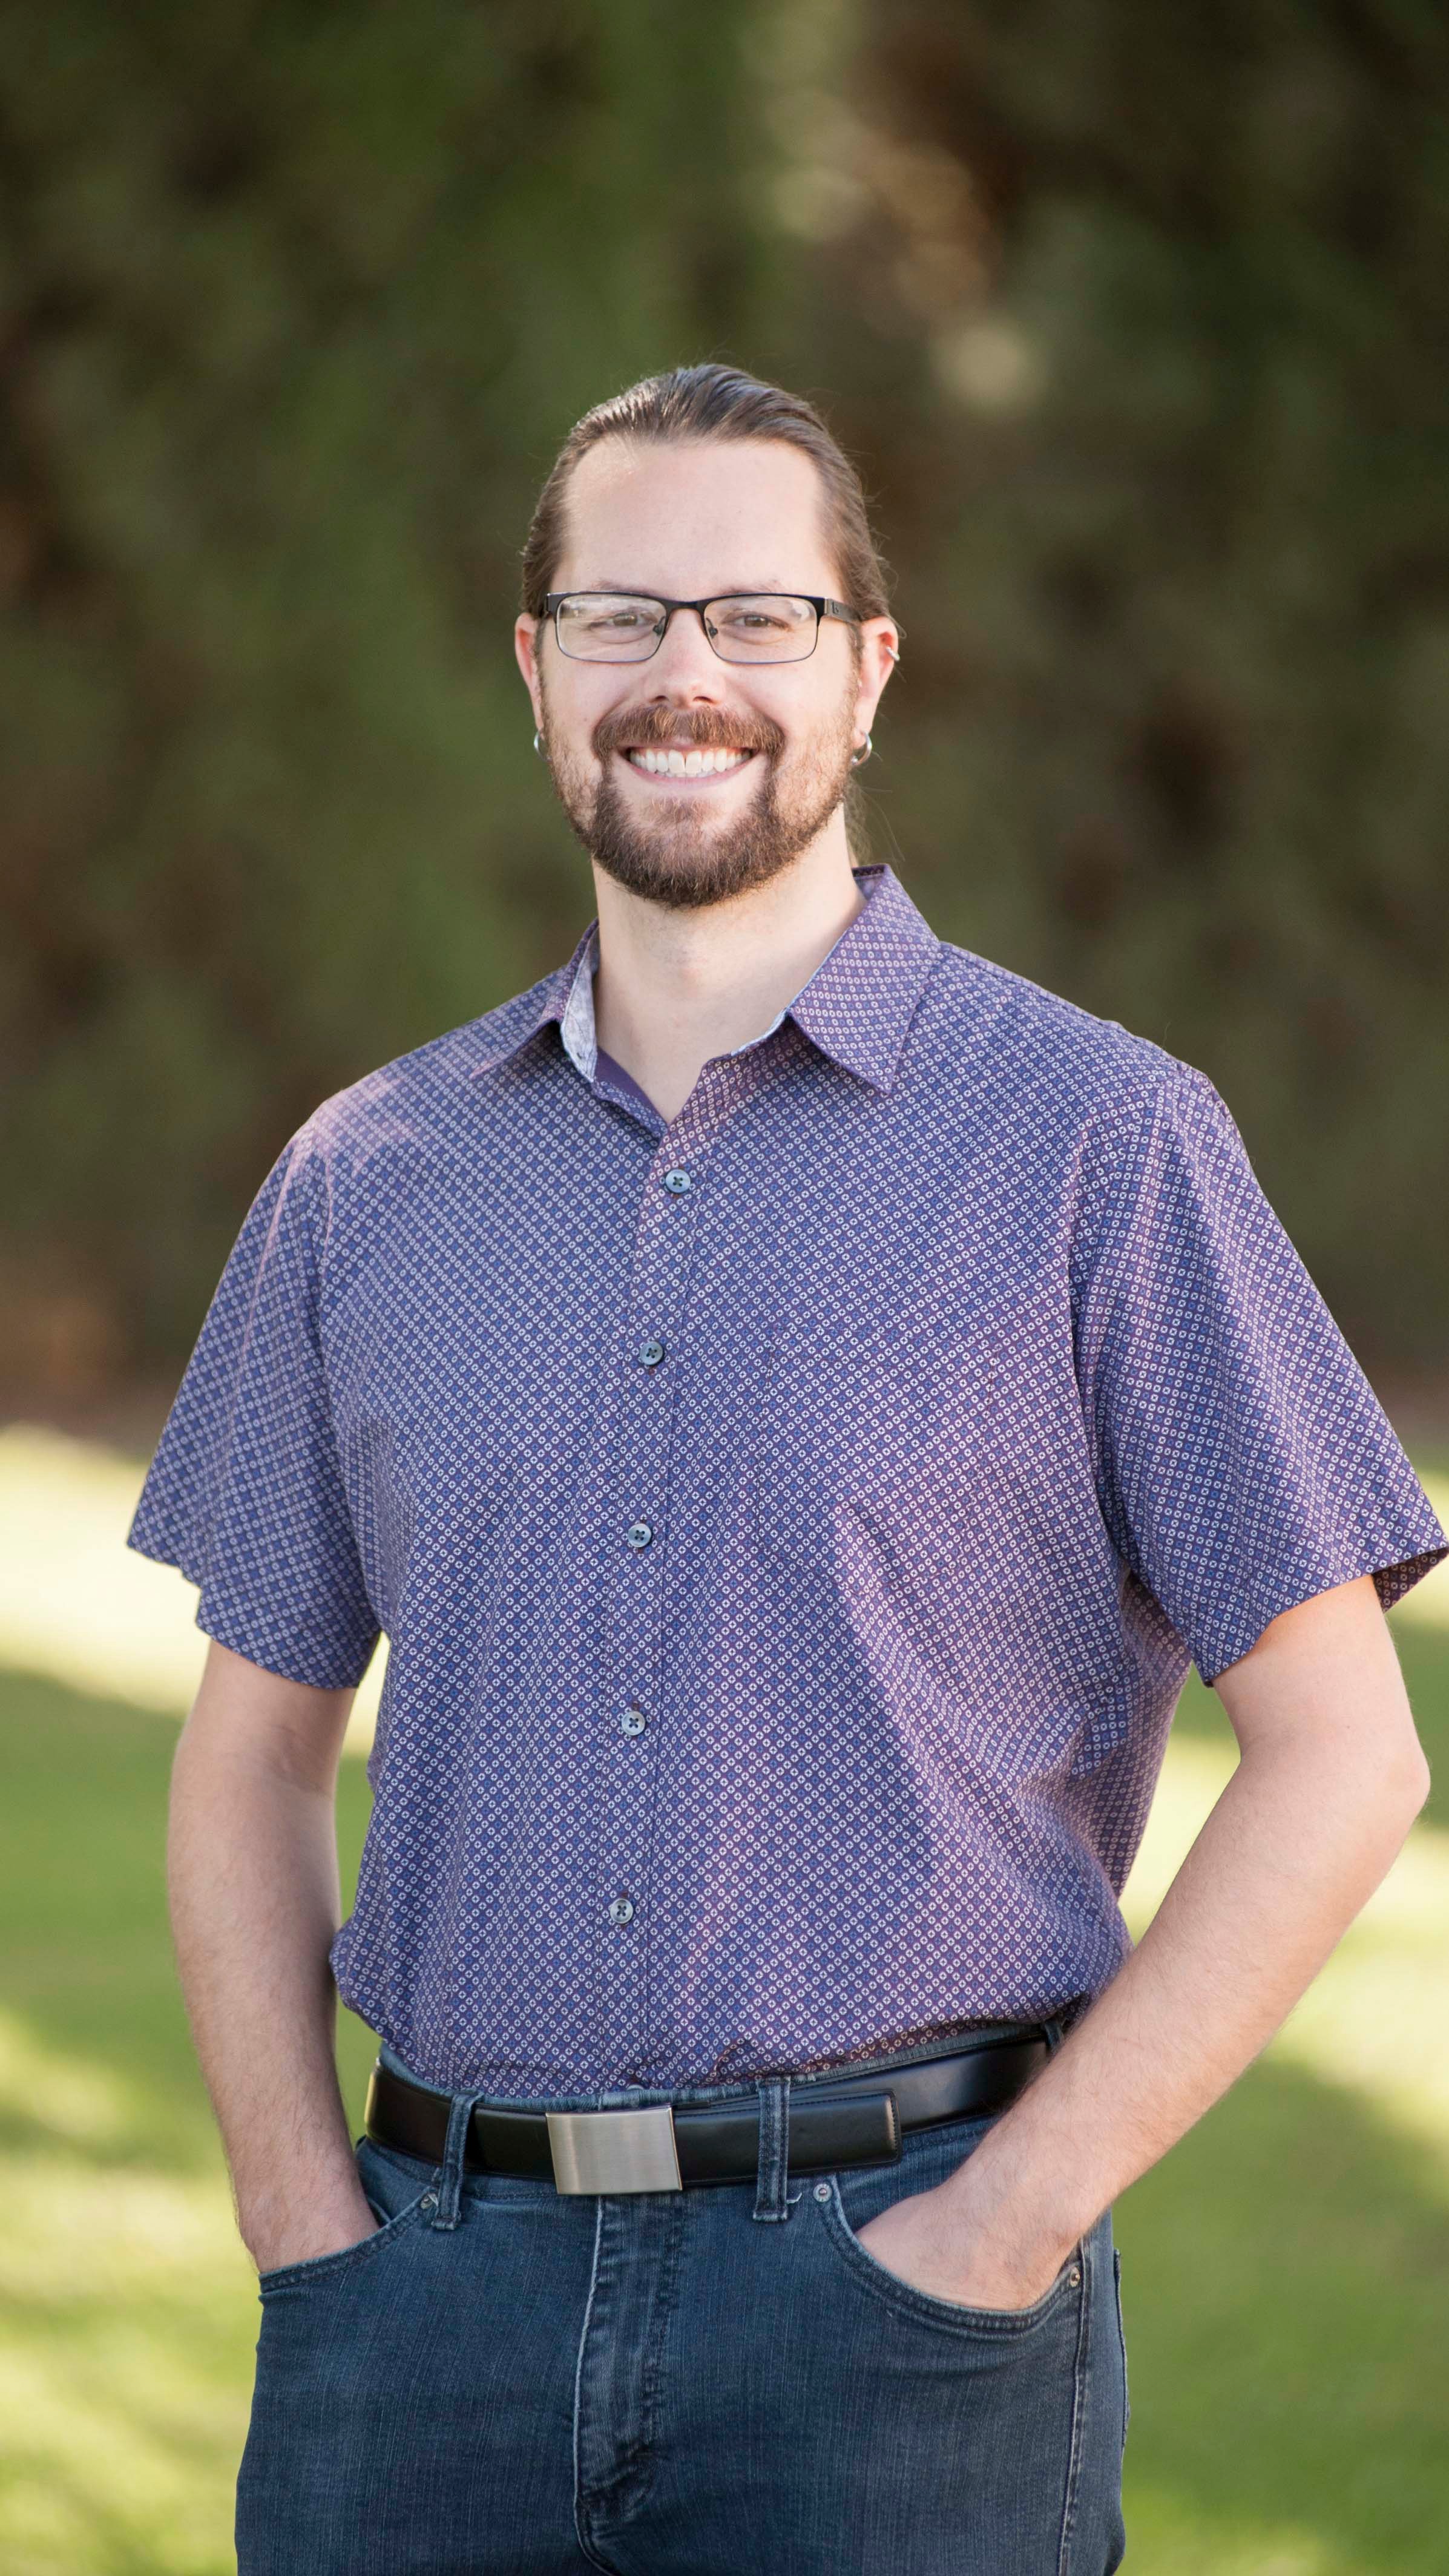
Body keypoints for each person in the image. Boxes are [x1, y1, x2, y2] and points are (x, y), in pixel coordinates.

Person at [128, 363, 1445, 2576]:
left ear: (865, 668)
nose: (686, 677)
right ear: (535, 670)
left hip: (902, 2319)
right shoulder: (365, 1179)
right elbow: (249, 1753)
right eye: (620, 617)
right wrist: (299, 2222)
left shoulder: (1100, 1146)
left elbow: (1344, 1757)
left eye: (756, 617)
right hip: (416, 2323)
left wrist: (1005, 2227)